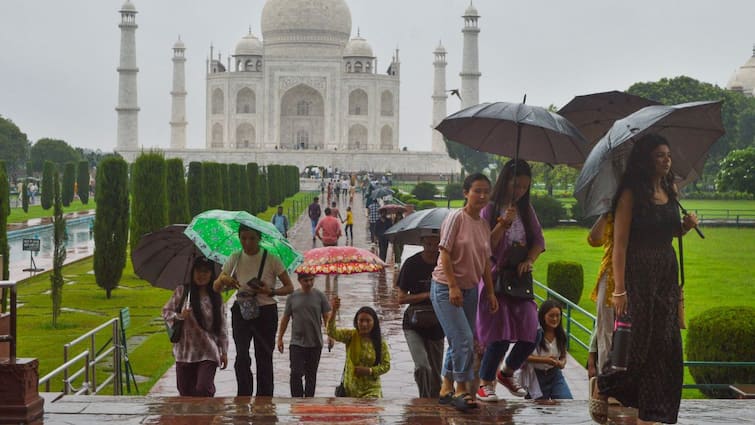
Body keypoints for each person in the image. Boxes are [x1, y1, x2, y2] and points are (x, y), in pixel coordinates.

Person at [591, 134, 698, 425]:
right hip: (638, 273)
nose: (667, 160)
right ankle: (604, 384)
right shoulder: (630, 194)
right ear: (646, 160)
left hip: (665, 272)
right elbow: (621, 245)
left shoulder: (670, 189)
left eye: (668, 155)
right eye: (660, 155)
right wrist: (620, 290)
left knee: (665, 344)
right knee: (637, 346)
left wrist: (685, 228)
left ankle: (652, 412)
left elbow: (668, 232)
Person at [476, 159, 544, 402]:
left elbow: (538, 241)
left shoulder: (526, 211)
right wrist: (503, 223)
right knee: (500, 333)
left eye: (525, 187)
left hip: (519, 278)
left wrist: (530, 260)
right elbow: (486, 246)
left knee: (532, 331)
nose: (520, 191)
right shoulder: (490, 209)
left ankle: (506, 372)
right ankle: (485, 382)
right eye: (516, 185)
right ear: (505, 181)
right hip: (495, 276)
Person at [430, 173, 498, 412]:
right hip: (445, 288)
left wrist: (489, 293)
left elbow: (485, 262)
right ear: (465, 192)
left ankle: (446, 387)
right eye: (477, 190)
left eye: (485, 192)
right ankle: (461, 389)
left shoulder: (483, 224)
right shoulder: (456, 218)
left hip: (470, 290)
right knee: (464, 340)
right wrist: (452, 285)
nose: (481, 196)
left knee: (459, 340)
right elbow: (444, 253)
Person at [213, 225, 295, 396]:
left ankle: (264, 400)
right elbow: (216, 287)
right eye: (243, 238)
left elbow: (289, 287)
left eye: (251, 238)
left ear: (259, 239)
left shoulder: (272, 259)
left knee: (264, 356)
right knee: (241, 356)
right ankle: (243, 395)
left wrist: (270, 291)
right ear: (239, 237)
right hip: (242, 310)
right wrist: (224, 279)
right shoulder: (235, 257)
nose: (247, 242)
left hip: (266, 312)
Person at [162, 256, 228, 396]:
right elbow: (166, 312)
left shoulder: (216, 297)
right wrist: (180, 316)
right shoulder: (182, 292)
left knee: (203, 389)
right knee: (185, 392)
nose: (201, 275)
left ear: (212, 274)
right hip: (185, 351)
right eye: (198, 271)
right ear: (192, 272)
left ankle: (207, 415)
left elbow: (222, 326)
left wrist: (224, 352)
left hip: (208, 351)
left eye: (206, 271)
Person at [397, 234, 444, 398]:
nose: (432, 243)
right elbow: (401, 298)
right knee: (422, 367)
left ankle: (435, 410)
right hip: (414, 323)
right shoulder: (411, 264)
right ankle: (423, 401)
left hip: (438, 323)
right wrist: (426, 295)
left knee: (436, 376)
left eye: (436, 240)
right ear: (421, 241)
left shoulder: (446, 263)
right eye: (428, 240)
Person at [276, 272, 332, 397]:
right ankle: (296, 401)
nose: (309, 283)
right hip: (296, 342)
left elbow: (327, 317)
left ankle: (309, 403)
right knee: (295, 373)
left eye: (311, 280)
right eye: (306, 281)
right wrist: (280, 338)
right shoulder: (292, 297)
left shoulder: (320, 296)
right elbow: (285, 318)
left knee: (311, 376)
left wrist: (331, 335)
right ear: (299, 281)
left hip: (315, 342)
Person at [327, 299, 391, 398]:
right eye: (361, 320)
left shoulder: (380, 342)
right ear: (356, 322)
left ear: (374, 323)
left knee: (369, 412)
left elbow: (386, 365)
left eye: (368, 321)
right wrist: (334, 311)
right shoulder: (350, 336)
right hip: (350, 391)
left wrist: (369, 371)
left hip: (371, 390)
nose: (364, 324)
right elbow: (332, 332)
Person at [521, 300, 573, 400]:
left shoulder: (561, 334)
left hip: (555, 375)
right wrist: (545, 360)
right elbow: (524, 356)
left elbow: (563, 355)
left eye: (558, 315)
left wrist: (562, 362)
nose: (555, 319)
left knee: (566, 401)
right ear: (543, 316)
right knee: (538, 410)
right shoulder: (534, 334)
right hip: (536, 376)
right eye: (551, 316)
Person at [587, 213, 615, 379]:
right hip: (611, 274)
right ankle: (608, 382)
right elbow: (594, 239)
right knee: (607, 330)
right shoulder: (613, 211)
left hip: (641, 274)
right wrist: (606, 213)